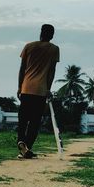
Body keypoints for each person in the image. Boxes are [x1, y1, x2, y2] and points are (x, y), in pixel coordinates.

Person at [17, 24, 60, 159]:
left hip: (26, 88)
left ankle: (21, 144)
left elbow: (22, 69)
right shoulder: (54, 49)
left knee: (23, 120)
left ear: (40, 33)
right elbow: (51, 71)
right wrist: (48, 88)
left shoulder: (29, 46)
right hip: (40, 90)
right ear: (52, 35)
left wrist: (19, 87)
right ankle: (27, 147)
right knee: (35, 122)